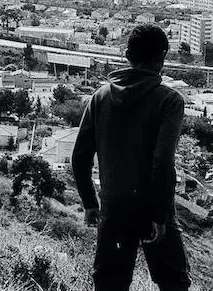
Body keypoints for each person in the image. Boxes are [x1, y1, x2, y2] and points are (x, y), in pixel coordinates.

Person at [72, 24, 190, 291]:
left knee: (109, 283)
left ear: (127, 55)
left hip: (113, 208)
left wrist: (90, 203)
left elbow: (79, 157)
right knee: (174, 283)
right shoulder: (170, 101)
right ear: (162, 59)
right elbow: (162, 162)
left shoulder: (99, 97)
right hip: (152, 207)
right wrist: (159, 215)